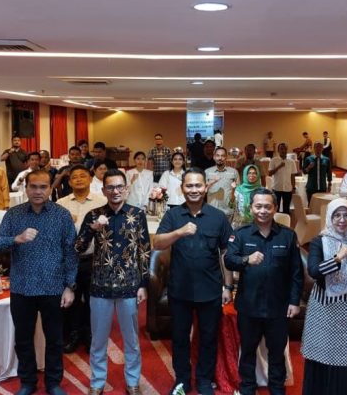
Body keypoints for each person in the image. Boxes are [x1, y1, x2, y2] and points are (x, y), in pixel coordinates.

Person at [0, 169, 78, 395]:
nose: (38, 191)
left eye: (43, 187)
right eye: (33, 186)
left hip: (53, 287)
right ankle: (28, 382)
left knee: (55, 339)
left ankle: (53, 382)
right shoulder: (14, 214)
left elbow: (71, 252)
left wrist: (70, 286)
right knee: (23, 339)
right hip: (22, 286)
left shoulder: (61, 215)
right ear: (26, 187)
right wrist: (17, 238)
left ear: (50, 189)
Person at [153, 168, 234, 395]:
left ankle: (204, 380)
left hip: (210, 289)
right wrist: (179, 232)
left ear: (206, 187)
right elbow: (157, 243)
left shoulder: (218, 217)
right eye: (189, 186)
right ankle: (182, 380)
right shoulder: (173, 215)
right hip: (180, 289)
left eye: (198, 185)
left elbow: (226, 254)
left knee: (208, 337)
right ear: (182, 188)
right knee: (180, 338)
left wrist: (228, 286)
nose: (194, 190)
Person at [74, 169, 151, 395]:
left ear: (126, 189)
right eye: (110, 187)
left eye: (119, 187)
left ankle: (133, 381)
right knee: (98, 340)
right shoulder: (94, 215)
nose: (115, 191)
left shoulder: (137, 215)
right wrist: (93, 229)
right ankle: (97, 382)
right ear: (104, 190)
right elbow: (78, 248)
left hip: (129, 285)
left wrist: (143, 284)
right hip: (100, 286)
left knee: (131, 340)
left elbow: (144, 251)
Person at [225, 188, 302, 395]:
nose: (263, 211)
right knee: (248, 351)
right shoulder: (241, 234)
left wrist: (294, 301)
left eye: (267, 206)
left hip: (278, 307)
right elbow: (229, 260)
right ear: (251, 208)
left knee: (277, 353)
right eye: (258, 206)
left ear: (275, 208)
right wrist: (246, 259)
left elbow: (296, 272)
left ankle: (277, 389)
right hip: (249, 306)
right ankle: (247, 388)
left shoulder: (288, 235)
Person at [301, 198, 347, 395]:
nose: (342, 220)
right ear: (330, 218)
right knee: (322, 355)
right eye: (337, 215)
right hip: (323, 310)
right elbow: (314, 271)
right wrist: (337, 258)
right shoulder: (319, 241)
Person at [57, 165, 107, 353]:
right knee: (71, 299)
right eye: (74, 177)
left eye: (83, 176)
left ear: (90, 179)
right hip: (69, 259)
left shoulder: (102, 202)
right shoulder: (60, 203)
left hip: (95, 258)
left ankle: (90, 334)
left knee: (94, 299)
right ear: (69, 182)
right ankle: (73, 334)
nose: (78, 179)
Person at [205, 146, 238, 217]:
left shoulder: (234, 172)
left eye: (222, 156)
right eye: (217, 155)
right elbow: (203, 191)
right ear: (214, 157)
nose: (220, 158)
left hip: (228, 212)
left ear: (226, 157)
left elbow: (238, 192)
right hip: (212, 211)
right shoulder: (207, 172)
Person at [268, 143, 298, 214]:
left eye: (285, 149)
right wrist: (279, 166)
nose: (283, 150)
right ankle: (276, 221)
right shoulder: (273, 160)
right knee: (276, 209)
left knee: (286, 209)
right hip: (276, 188)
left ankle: (286, 220)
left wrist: (293, 187)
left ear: (287, 150)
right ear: (278, 150)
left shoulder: (291, 162)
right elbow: (270, 173)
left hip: (288, 188)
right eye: (281, 149)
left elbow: (292, 176)